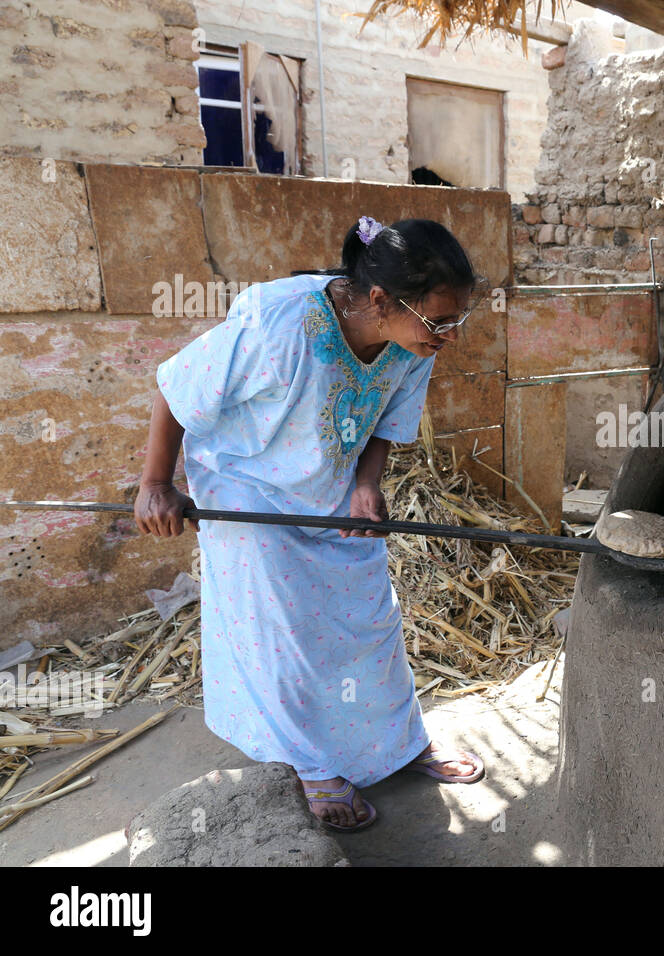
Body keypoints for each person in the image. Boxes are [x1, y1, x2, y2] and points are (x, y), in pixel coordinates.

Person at [135, 217, 491, 831]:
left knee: (368, 616)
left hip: (327, 483)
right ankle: (309, 764)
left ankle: (396, 746)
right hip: (244, 483)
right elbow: (176, 388)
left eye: (456, 320)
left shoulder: (413, 343)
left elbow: (386, 421)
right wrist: (155, 485)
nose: (448, 335)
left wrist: (365, 486)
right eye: (438, 320)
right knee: (287, 627)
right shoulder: (281, 322)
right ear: (380, 300)